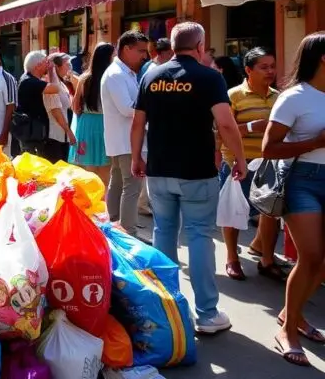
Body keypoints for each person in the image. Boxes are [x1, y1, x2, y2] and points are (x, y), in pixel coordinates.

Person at [132, 22, 246, 336]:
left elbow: (138, 123)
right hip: (196, 171)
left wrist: (135, 157)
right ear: (199, 46)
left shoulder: (151, 76)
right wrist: (240, 158)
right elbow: (225, 123)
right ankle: (207, 314)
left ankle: (167, 306)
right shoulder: (210, 77)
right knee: (198, 237)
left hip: (159, 169)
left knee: (164, 232)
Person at [262, 32, 325, 366]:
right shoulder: (295, 97)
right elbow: (269, 148)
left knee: (322, 261)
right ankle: (288, 330)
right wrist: (315, 142)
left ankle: (293, 312)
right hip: (304, 181)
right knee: (311, 256)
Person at [218, 48, 285, 282]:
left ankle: (267, 259)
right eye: (264, 67)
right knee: (234, 211)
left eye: (272, 66)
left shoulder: (279, 97)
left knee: (271, 213)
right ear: (248, 70)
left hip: (270, 163)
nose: (270, 71)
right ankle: (231, 258)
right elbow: (219, 132)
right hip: (239, 161)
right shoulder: (233, 96)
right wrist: (249, 128)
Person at [101, 30, 149, 235]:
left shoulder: (124, 73)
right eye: (141, 51)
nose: (144, 56)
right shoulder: (116, 74)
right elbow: (127, 108)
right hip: (126, 140)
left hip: (123, 139)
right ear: (126, 49)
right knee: (131, 187)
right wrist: (152, 110)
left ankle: (114, 227)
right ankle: (128, 231)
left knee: (120, 182)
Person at [70, 43, 114, 184]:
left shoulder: (84, 79)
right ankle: (103, 203)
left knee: (86, 172)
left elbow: (75, 106)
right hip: (105, 125)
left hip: (86, 125)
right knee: (106, 173)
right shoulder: (111, 78)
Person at [14, 50, 53, 157]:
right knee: (33, 165)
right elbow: (55, 88)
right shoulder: (30, 81)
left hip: (32, 131)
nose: (48, 65)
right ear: (38, 65)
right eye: (46, 62)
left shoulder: (27, 79)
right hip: (31, 133)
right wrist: (52, 71)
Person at [43, 52, 76, 162]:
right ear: (57, 67)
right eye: (67, 65)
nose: (69, 68)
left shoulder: (61, 84)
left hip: (63, 136)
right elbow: (56, 111)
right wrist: (69, 131)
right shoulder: (50, 84)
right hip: (54, 136)